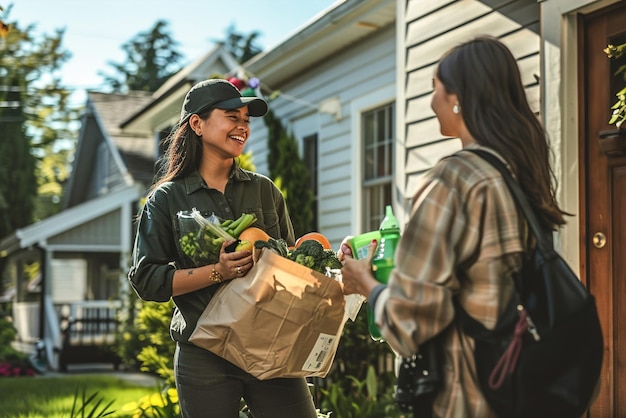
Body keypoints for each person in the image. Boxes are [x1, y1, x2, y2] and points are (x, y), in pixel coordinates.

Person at [339, 36, 568, 417]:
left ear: (458, 97)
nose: (430, 103)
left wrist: (365, 283)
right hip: (514, 382)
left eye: (435, 89)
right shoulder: (517, 173)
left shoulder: (455, 179)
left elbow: (410, 322)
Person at [128, 78, 318, 418]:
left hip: (270, 344)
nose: (243, 126)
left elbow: (291, 266)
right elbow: (148, 279)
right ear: (197, 124)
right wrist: (218, 272)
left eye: (246, 120)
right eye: (232, 116)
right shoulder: (167, 199)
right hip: (204, 353)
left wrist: (327, 265)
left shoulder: (264, 191)